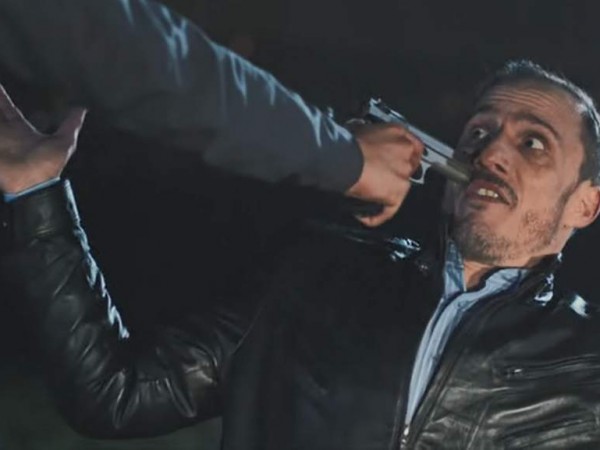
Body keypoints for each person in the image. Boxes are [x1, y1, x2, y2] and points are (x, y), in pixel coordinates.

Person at [3, 52, 600, 449]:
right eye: (479, 132)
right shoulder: (320, 273)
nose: (491, 153)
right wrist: (36, 192)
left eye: (534, 144)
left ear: (585, 204)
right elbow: (114, 395)